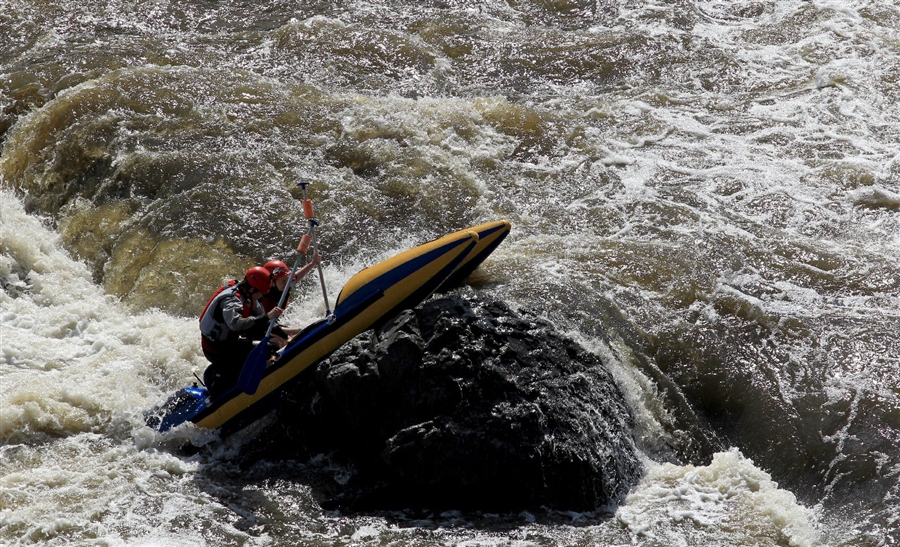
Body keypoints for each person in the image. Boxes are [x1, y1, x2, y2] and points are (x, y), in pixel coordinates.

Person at [199, 266, 285, 399]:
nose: (262, 296)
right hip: (217, 350)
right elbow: (235, 324)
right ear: (252, 290)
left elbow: (261, 319)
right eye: (261, 293)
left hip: (230, 341)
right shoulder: (231, 300)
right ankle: (222, 378)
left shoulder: (249, 295)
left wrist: (282, 332)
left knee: (270, 338)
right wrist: (267, 317)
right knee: (269, 348)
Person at [261, 253, 322, 340]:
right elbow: (264, 324)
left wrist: (312, 263)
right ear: (272, 282)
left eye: (288, 279)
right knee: (296, 332)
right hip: (264, 324)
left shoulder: (284, 282)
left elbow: (297, 276)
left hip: (273, 320)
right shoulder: (264, 298)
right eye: (283, 281)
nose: (287, 283)